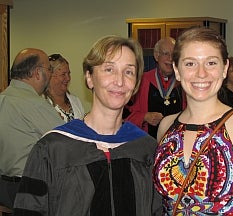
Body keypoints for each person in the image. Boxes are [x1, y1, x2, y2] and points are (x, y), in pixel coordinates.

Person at [13, 36, 162, 216]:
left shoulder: (146, 149)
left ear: (136, 84)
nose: (120, 81)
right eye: (109, 69)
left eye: (129, 72)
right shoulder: (53, 148)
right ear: (89, 78)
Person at [153, 27, 233, 215]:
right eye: (190, 64)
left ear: (224, 68)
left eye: (211, 63)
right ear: (177, 70)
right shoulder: (166, 127)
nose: (201, 73)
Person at [0, 48, 64, 209]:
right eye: (49, 70)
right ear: (37, 73)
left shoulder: (3, 99)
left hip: (4, 187)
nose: (50, 75)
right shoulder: (34, 104)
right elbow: (66, 142)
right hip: (30, 191)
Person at [124, 37, 186, 138]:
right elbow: (124, 115)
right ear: (156, 56)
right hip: (146, 143)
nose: (170, 59)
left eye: (174, 54)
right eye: (166, 54)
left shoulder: (184, 82)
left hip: (177, 142)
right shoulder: (140, 81)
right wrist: (144, 116)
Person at [44, 53, 85, 122]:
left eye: (69, 73)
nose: (68, 78)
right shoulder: (42, 103)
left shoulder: (75, 100)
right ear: (50, 76)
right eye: (63, 74)